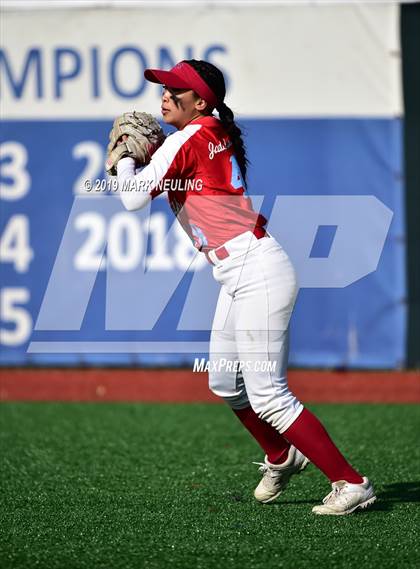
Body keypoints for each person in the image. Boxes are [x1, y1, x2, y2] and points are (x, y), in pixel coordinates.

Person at [114, 59, 376, 515]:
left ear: (201, 101)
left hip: (256, 272)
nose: (164, 96)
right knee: (223, 382)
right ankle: (282, 455)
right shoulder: (207, 133)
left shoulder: (192, 137)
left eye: (176, 90)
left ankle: (350, 482)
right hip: (239, 274)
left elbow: (133, 198)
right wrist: (148, 158)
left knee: (269, 394)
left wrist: (123, 159)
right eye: (164, 88)